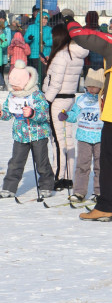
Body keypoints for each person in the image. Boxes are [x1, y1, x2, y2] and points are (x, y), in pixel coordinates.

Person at [0, 60, 55, 199]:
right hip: (20, 135)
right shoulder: (12, 95)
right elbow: (9, 113)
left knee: (41, 162)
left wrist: (32, 113)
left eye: (17, 85)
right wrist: (0, 113)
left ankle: (46, 185)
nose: (14, 88)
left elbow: (44, 114)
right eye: (12, 85)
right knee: (15, 162)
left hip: (37, 134)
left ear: (26, 83)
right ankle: (9, 188)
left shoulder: (36, 95)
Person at [42, 24, 88, 189]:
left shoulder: (61, 55)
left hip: (57, 100)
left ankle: (58, 176)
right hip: (69, 99)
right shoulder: (75, 54)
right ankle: (68, 176)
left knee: (58, 139)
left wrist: (45, 101)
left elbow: (55, 83)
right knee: (68, 138)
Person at [63, 68, 103, 204]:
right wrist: (67, 115)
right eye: (89, 86)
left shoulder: (104, 100)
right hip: (84, 138)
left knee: (100, 166)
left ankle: (99, 192)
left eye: (95, 86)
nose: (91, 89)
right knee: (82, 165)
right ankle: (79, 192)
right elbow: (74, 115)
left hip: (100, 137)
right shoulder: (81, 99)